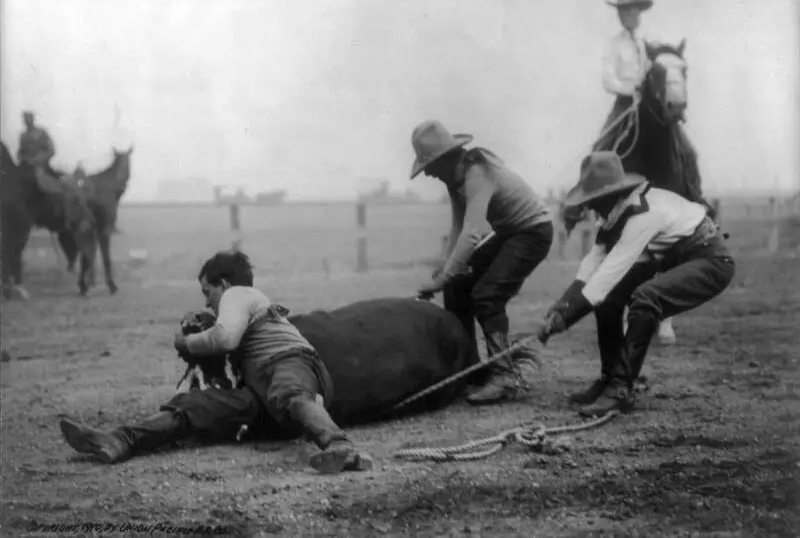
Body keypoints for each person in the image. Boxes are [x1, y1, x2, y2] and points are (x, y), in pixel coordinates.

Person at [59, 250, 373, 474]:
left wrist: (187, 342)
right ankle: (119, 440)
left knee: (289, 392)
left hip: (290, 364)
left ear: (224, 285)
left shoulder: (241, 294)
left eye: (207, 292)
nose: (206, 300)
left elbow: (225, 338)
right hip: (269, 398)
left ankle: (339, 445)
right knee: (197, 405)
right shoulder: (244, 308)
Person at [536, 152, 735, 417]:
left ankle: (620, 389)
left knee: (646, 297)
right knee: (608, 302)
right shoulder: (615, 215)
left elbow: (608, 274)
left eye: (595, 201)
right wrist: (561, 308)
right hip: (672, 257)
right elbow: (589, 268)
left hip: (710, 259)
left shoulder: (643, 216)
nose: (593, 209)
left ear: (612, 195)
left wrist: (566, 319)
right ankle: (610, 378)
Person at [410, 119, 554, 405]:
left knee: (487, 295)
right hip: (509, 232)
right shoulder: (455, 180)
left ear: (446, 158)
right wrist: (445, 270)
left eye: (430, 167)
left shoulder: (477, 173)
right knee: (456, 287)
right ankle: (470, 370)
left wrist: (443, 276)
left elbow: (473, 232)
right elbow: (457, 228)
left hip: (533, 231)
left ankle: (505, 376)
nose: (429, 175)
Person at [595, 0, 653, 153]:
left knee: (684, 149)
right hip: (625, 106)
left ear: (639, 11)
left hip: (650, 105)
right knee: (602, 148)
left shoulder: (647, 43)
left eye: (630, 9)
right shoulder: (613, 45)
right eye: (622, 10)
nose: (625, 14)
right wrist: (632, 89)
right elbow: (608, 81)